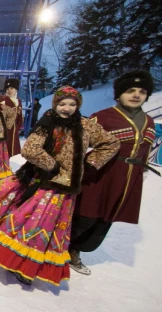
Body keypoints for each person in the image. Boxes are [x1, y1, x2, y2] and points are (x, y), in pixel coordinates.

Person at [0, 86, 119, 286]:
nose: (67, 108)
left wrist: (89, 164)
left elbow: (111, 144)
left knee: (46, 226)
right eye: (62, 104)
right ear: (55, 104)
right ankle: (15, 259)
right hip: (42, 180)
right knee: (33, 222)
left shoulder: (86, 125)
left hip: (67, 188)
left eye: (72, 104)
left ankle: (24, 260)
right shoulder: (48, 122)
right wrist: (52, 166)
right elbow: (30, 149)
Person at [69, 70, 158, 275]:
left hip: (129, 178)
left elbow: (146, 149)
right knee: (86, 214)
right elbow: (79, 145)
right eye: (130, 90)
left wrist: (141, 172)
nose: (136, 95)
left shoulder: (149, 122)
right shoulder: (103, 117)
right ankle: (61, 247)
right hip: (101, 174)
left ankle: (76, 250)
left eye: (142, 91)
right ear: (119, 95)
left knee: (107, 218)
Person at [0, 78, 24, 157]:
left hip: (14, 129)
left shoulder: (19, 101)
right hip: (4, 128)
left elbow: (19, 115)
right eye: (7, 89)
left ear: (16, 90)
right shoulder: (3, 99)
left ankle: (6, 163)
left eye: (11, 88)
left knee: (11, 148)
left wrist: (18, 126)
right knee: (2, 148)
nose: (9, 90)